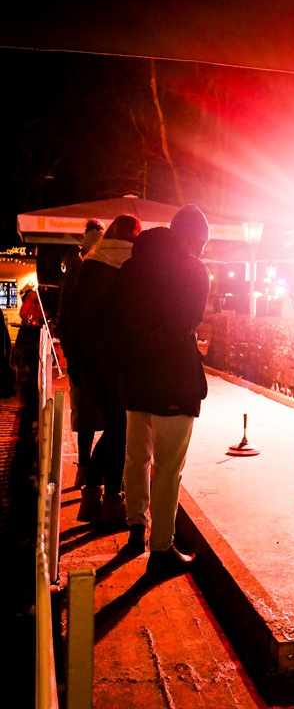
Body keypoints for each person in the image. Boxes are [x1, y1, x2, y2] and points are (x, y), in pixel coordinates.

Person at [107, 204, 211, 576]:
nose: (200, 250)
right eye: (201, 243)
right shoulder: (193, 270)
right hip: (173, 381)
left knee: (136, 456)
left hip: (136, 380)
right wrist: (157, 348)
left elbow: (109, 320)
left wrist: (131, 357)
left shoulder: (132, 267)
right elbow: (188, 320)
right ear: (193, 239)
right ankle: (161, 549)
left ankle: (136, 528)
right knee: (168, 469)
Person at [70, 214, 142, 527]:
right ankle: (111, 499)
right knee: (119, 429)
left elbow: (72, 316)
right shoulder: (131, 265)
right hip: (116, 359)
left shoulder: (89, 263)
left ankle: (91, 501)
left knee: (114, 427)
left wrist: (76, 361)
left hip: (88, 362)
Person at [56, 218, 106, 488]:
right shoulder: (78, 270)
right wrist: (73, 358)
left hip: (95, 356)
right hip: (87, 356)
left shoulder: (87, 269)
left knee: (98, 417)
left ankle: (88, 471)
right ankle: (86, 470)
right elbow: (65, 320)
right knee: (89, 416)